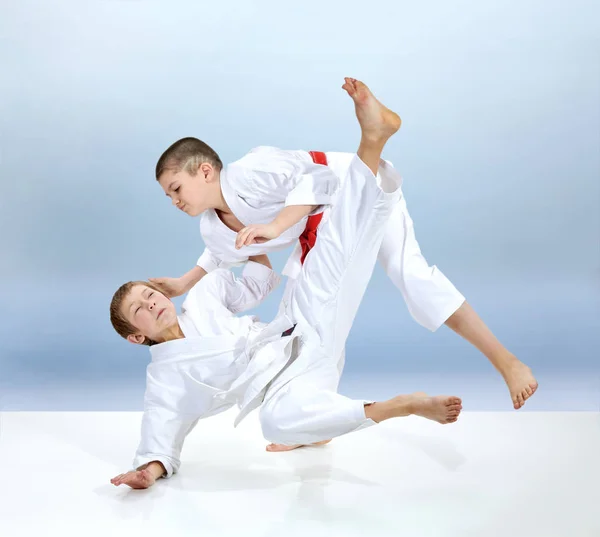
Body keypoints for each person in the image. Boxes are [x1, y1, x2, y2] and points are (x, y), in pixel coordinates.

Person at [110, 80, 462, 489]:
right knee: (275, 422)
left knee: (336, 245)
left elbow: (256, 284)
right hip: (287, 385)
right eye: (141, 309)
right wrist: (148, 470)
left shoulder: (205, 294)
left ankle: (372, 142)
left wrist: (250, 242)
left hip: (295, 329)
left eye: (150, 295)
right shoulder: (165, 379)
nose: (152, 304)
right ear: (137, 337)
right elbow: (161, 427)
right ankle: (387, 408)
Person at [151, 78, 537, 411]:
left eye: (176, 189)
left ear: (205, 171)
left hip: (354, 185)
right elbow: (219, 256)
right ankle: (316, 417)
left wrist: (276, 225)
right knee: (306, 321)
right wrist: (184, 284)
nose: (175, 201)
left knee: (410, 277)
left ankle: (508, 362)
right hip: (323, 230)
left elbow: (317, 180)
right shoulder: (211, 227)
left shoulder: (251, 170)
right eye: (168, 196)